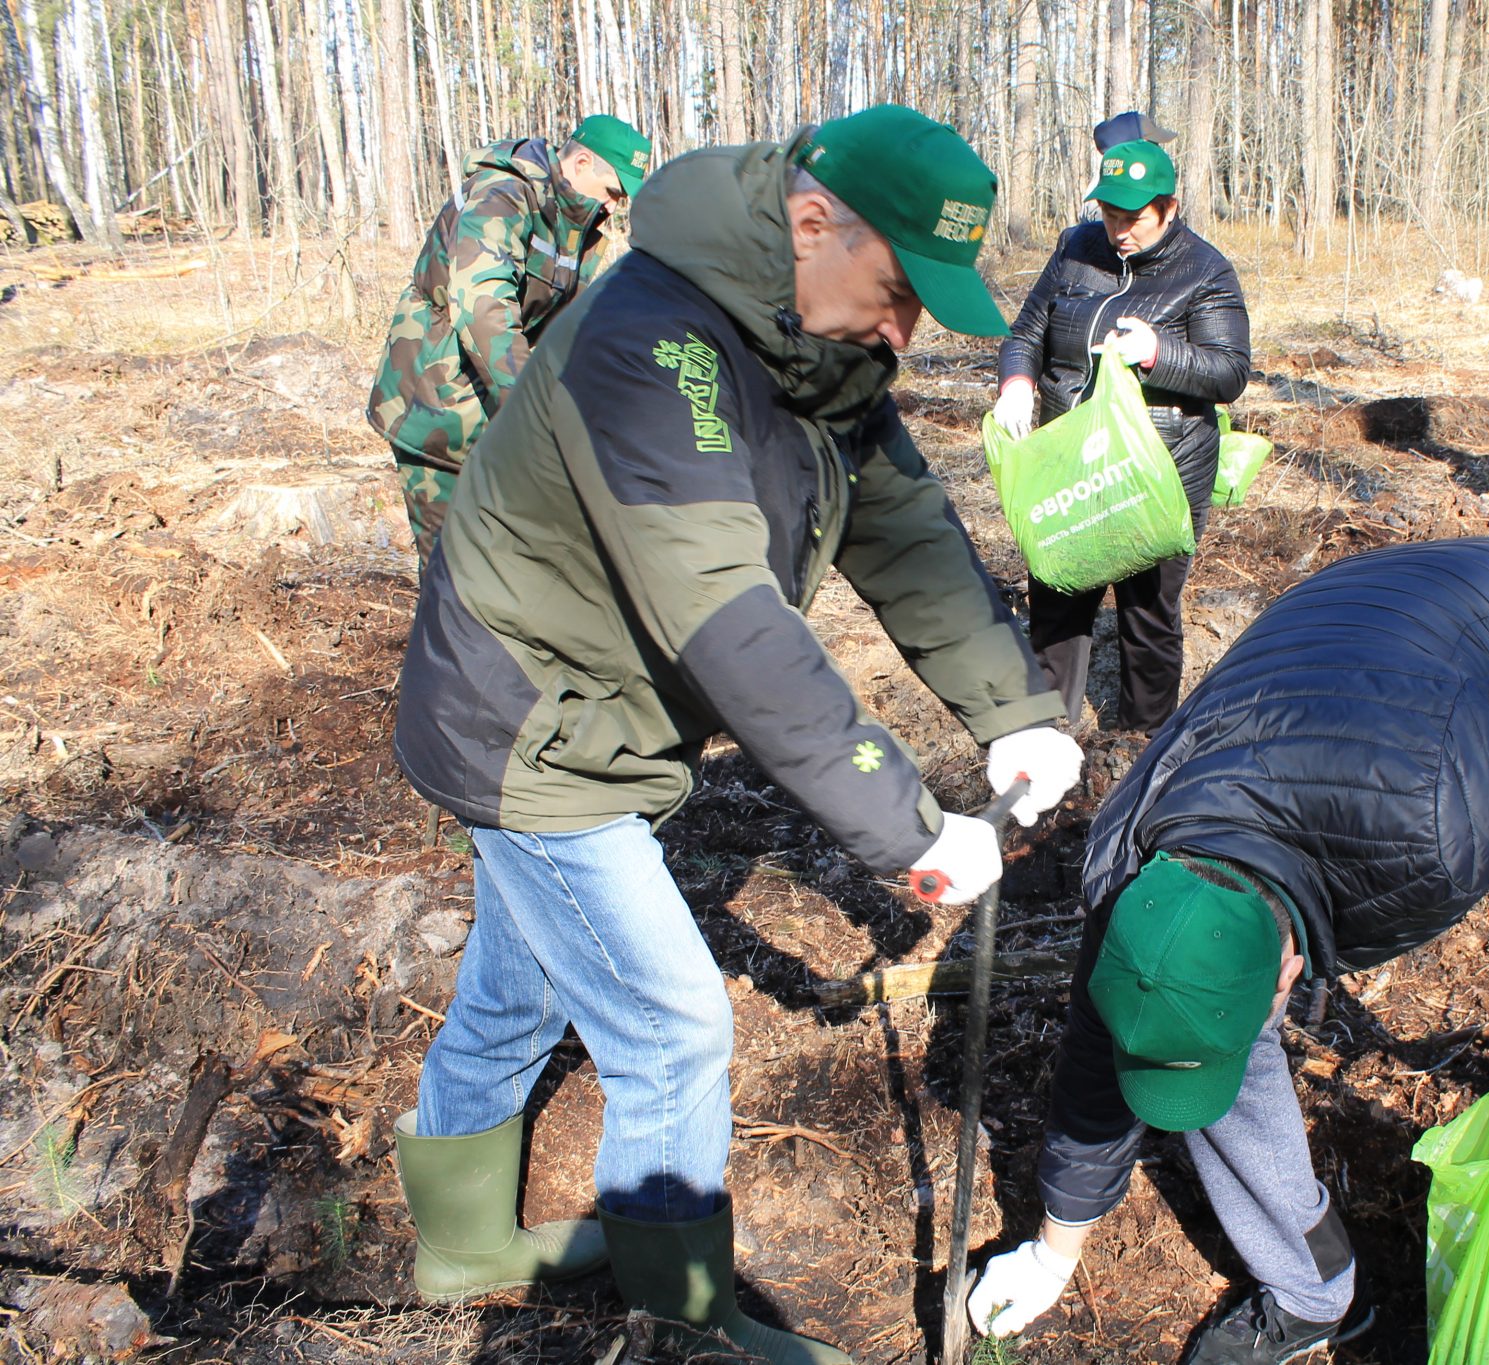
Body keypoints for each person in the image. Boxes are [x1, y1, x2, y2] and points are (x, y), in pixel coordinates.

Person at [389, 104, 1085, 1365]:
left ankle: (462, 1247)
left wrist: (1014, 713)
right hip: (528, 726)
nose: (903, 330)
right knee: (671, 1028)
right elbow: (734, 626)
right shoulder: (651, 344)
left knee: (515, 984)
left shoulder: (820, 348)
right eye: (895, 290)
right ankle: (684, 1328)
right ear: (809, 223)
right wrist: (909, 831)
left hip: (605, 717)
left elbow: (907, 536)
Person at [966, 537, 1489, 1365]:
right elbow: (1106, 1045)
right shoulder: (1131, 872)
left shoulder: (1434, 817)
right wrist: (1053, 1246)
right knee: (1199, 1022)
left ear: (1294, 970)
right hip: (1353, 655)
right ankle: (1312, 1290)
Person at [993, 139, 1250, 735]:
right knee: (1058, 600)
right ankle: (1045, 734)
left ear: (1170, 208)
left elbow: (1230, 371)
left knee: (1148, 615)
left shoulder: (1204, 271)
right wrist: (1015, 382)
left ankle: (1140, 744)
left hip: (1159, 474)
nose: (1117, 231)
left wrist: (1161, 353)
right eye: (1109, 214)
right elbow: (1028, 330)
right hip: (1073, 466)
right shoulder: (1077, 249)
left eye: (1132, 219)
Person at [367, 114, 651, 571]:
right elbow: (484, 309)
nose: (615, 206)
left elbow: (571, 323)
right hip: (434, 405)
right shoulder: (502, 195)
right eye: (614, 191)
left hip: (487, 408)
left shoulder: (576, 221)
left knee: (507, 567)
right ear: (580, 163)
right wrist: (534, 413)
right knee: (451, 573)